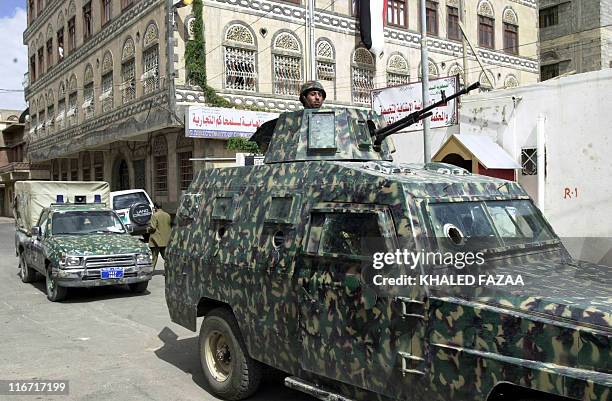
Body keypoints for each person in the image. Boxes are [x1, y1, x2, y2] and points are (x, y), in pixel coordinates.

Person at [148, 202, 172, 272]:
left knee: (154, 258)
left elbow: (153, 227)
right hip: (165, 240)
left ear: (155, 207)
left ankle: (151, 272)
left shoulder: (154, 215)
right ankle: (169, 270)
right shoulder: (167, 215)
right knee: (166, 257)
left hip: (156, 241)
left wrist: (147, 229)